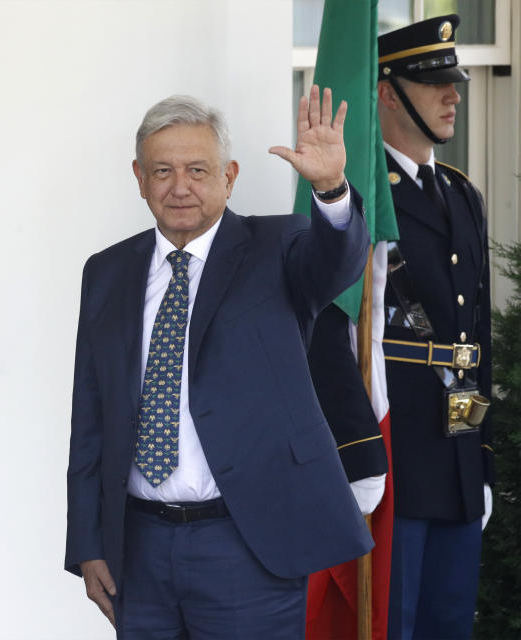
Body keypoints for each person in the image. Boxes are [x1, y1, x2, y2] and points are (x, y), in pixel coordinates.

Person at [65, 87, 374, 638]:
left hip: (247, 542)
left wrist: (329, 189)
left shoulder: (279, 246)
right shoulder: (107, 272)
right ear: (139, 178)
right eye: (162, 171)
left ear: (230, 176)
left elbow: (337, 265)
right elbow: (90, 416)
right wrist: (88, 544)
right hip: (138, 547)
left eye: (198, 170)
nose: (179, 186)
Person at [376, 15, 493, 639]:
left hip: (454, 457)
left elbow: (474, 344)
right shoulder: (362, 198)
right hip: (393, 459)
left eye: (454, 81)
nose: (453, 94)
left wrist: (479, 459)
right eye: (433, 83)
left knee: (449, 624)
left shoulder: (462, 194)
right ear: (387, 91)